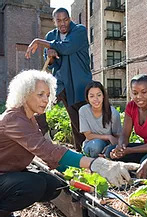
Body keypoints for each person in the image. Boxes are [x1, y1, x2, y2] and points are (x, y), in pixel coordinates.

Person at [0, 70, 139, 217]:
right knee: (34, 185)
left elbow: (49, 155)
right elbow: (47, 149)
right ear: (25, 94)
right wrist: (97, 164)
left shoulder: (29, 118)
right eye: (40, 94)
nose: (45, 100)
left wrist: (80, 171)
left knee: (54, 185)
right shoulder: (14, 119)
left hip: (9, 172)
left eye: (48, 95)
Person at [25, 7, 92, 151]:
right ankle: (44, 136)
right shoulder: (50, 36)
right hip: (59, 83)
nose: (63, 24)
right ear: (54, 21)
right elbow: (50, 63)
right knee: (38, 104)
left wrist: (38, 41)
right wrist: (51, 56)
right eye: (59, 20)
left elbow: (67, 48)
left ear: (70, 19)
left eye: (65, 20)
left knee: (79, 123)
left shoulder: (79, 31)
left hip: (78, 84)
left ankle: (83, 153)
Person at [79, 81, 122, 158]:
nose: (96, 99)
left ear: (103, 96)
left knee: (111, 151)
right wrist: (108, 136)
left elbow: (117, 137)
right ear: (87, 98)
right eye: (91, 96)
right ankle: (92, 162)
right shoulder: (83, 111)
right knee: (96, 145)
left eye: (98, 95)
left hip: (110, 145)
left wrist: (109, 148)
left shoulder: (113, 113)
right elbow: (88, 135)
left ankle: (105, 157)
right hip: (91, 144)